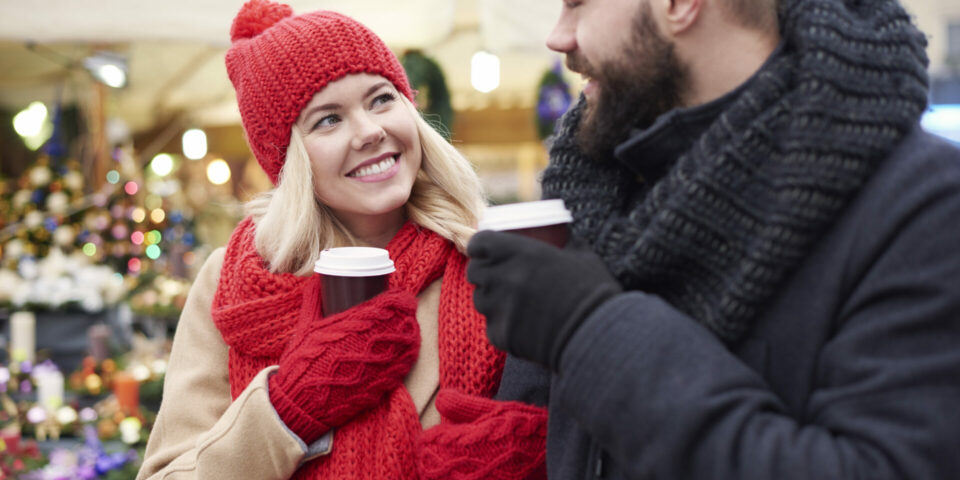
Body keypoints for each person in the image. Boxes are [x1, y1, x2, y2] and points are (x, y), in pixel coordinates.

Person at [467, 0, 960, 478]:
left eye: (578, 3)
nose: (558, 36)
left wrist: (589, 329)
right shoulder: (598, 190)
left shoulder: (925, 205)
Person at [137, 1, 547, 479]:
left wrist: (538, 455)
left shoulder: (490, 260)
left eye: (381, 99)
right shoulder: (233, 283)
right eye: (328, 120)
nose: (370, 131)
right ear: (288, 160)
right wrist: (286, 411)